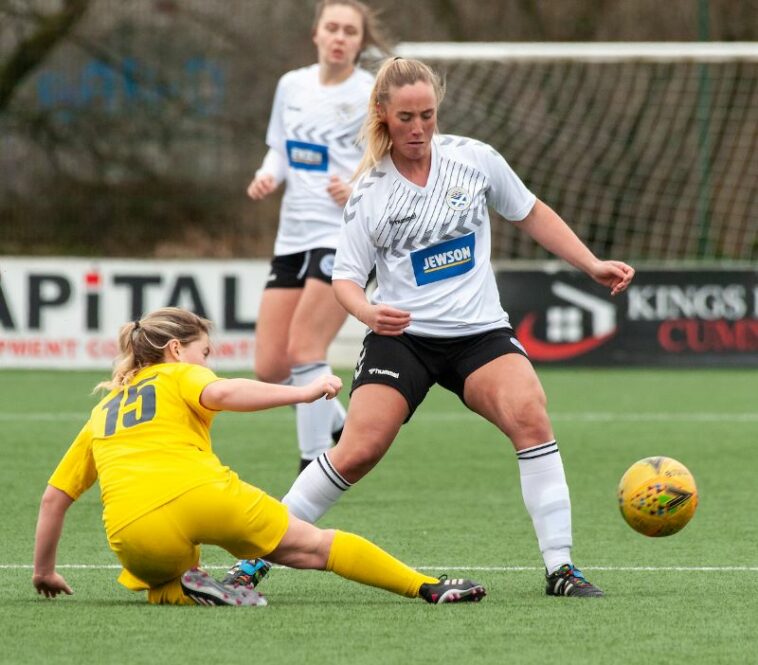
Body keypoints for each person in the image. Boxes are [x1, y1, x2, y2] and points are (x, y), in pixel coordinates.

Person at [276, 58, 636, 598]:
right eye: (405, 118)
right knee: (358, 450)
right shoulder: (370, 193)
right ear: (382, 115)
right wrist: (370, 313)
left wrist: (591, 264)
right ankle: (260, 551)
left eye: (427, 115)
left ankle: (561, 568)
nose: (418, 129)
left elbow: (531, 212)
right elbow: (345, 280)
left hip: (479, 335)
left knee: (531, 417)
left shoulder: (475, 160)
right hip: (404, 341)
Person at [32, 307, 485, 606]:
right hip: (201, 494)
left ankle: (179, 589)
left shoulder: (101, 411)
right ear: (175, 351)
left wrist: (45, 571)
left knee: (166, 574)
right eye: (204, 353)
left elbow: (55, 497)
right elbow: (224, 391)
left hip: (134, 536)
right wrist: (303, 391)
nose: (206, 363)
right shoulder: (178, 375)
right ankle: (426, 586)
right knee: (315, 547)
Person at [247, 0, 389, 472]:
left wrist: (356, 186)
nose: (340, 37)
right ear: (316, 34)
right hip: (293, 236)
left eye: (350, 31)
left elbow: (389, 162)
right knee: (271, 368)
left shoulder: (371, 93)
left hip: (343, 236)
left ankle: (314, 466)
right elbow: (279, 149)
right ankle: (339, 426)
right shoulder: (292, 84)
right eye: (332, 27)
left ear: (360, 42)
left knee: (306, 349)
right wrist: (268, 175)